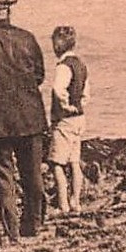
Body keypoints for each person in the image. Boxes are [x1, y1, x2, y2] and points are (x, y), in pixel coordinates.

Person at [0, 0, 49, 240]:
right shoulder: (27, 37)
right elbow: (39, 74)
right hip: (31, 115)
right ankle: (34, 223)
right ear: (9, 10)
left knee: (3, 175)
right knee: (33, 173)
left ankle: (13, 231)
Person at [45, 25, 89, 215]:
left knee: (57, 163)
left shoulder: (63, 66)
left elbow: (57, 89)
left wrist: (64, 105)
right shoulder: (80, 64)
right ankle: (76, 202)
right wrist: (79, 104)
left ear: (58, 44)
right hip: (79, 118)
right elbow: (87, 92)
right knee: (74, 161)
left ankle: (62, 204)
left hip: (65, 120)